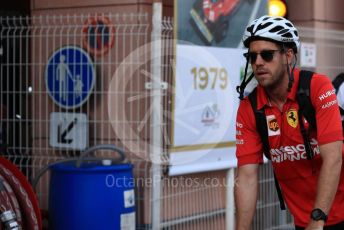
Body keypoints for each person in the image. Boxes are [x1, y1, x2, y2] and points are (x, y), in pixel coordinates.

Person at [234, 15, 344, 230]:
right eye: (252, 56)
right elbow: (246, 177)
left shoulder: (316, 87)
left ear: (289, 55)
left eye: (267, 55)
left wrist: (318, 218)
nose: (258, 62)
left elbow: (333, 158)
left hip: (325, 215)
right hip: (304, 221)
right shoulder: (249, 107)